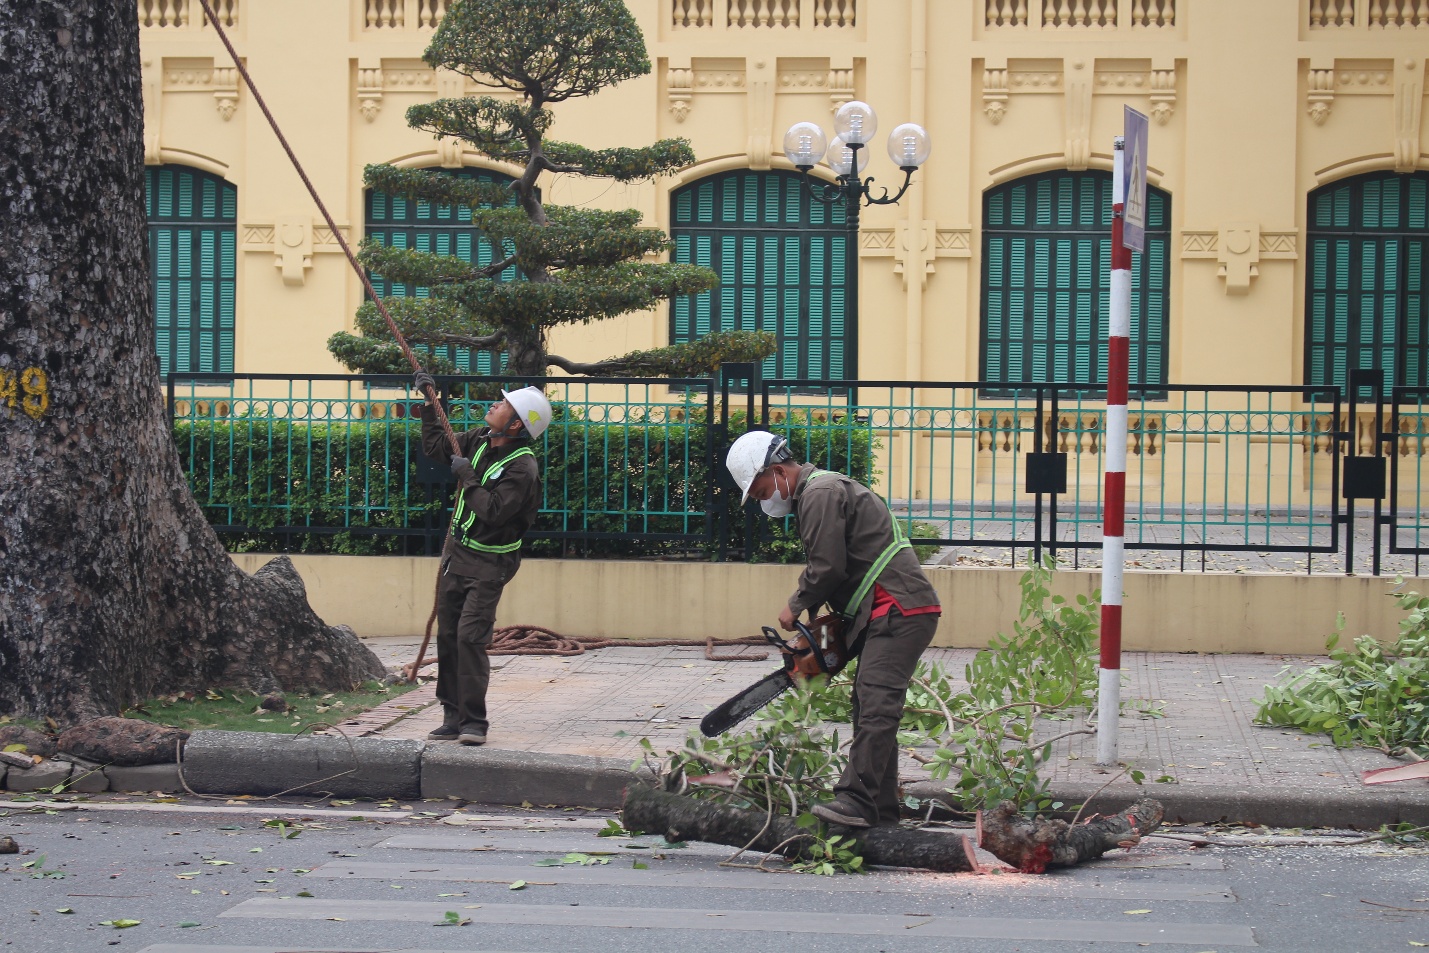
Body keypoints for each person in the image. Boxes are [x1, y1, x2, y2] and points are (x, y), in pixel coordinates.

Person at [726, 430, 941, 828]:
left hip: (898, 606)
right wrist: (819, 636)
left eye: (759, 493)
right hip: (886, 608)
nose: (762, 502)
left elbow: (827, 568)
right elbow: (847, 571)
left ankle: (857, 801)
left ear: (777, 471)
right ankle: (881, 812)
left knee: (877, 702)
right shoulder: (819, 492)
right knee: (869, 704)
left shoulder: (820, 493)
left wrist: (794, 607)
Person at [415, 371, 551, 746]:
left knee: (469, 637)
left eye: (505, 404)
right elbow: (436, 446)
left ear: (518, 424)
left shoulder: (523, 468)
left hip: (491, 564)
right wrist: (431, 405)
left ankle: (475, 722)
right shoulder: (478, 439)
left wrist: (469, 477)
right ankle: (452, 717)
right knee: (448, 637)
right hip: (457, 556)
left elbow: (492, 511)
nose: (495, 404)